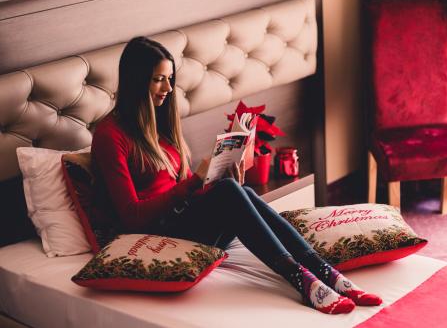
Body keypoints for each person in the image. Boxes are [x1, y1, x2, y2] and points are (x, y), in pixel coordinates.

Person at [91, 36, 382, 315]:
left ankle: (325, 272)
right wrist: (196, 183)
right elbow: (131, 216)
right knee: (229, 191)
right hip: (157, 234)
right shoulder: (110, 135)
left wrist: (217, 177)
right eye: (158, 79)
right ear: (135, 82)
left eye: (170, 78)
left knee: (237, 190)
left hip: (182, 219)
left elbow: (179, 188)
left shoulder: (159, 123)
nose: (168, 88)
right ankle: (302, 280)